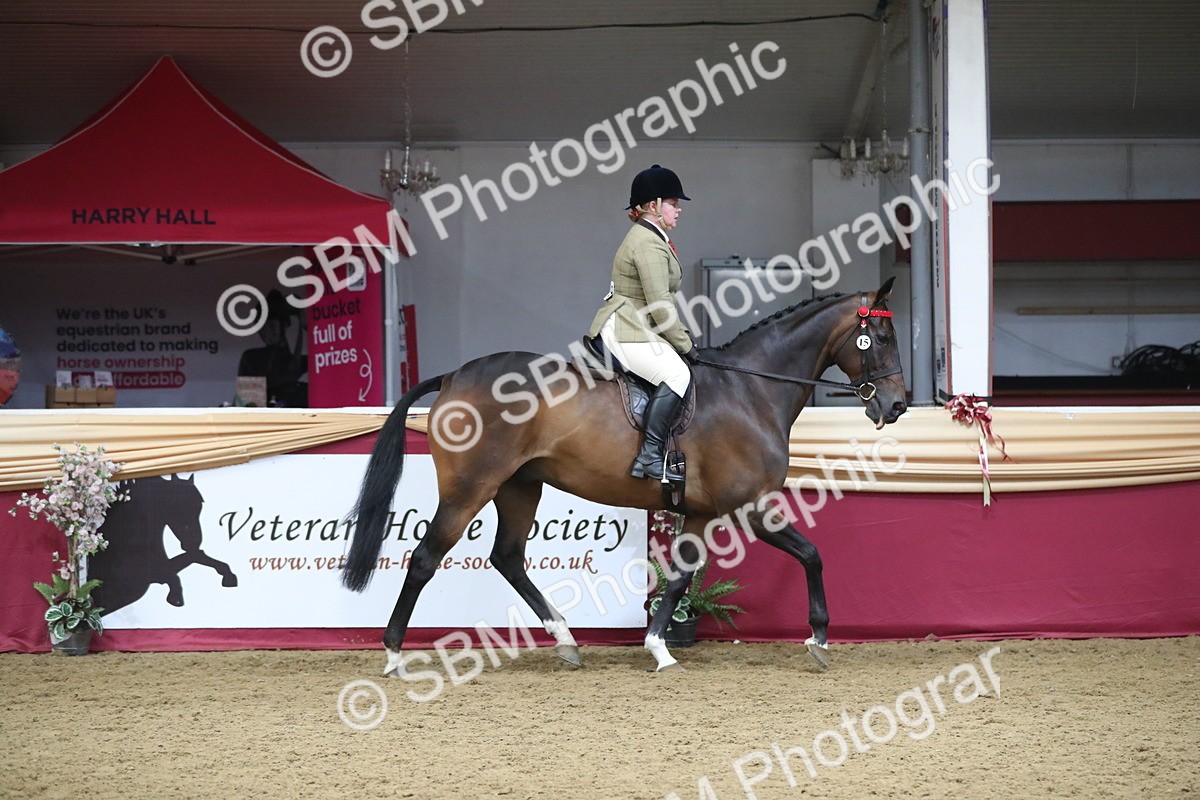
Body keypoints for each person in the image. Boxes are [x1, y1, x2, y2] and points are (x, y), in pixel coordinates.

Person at [588, 164, 698, 482]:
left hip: (636, 325)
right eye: (673, 203)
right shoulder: (647, 243)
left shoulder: (653, 237)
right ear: (653, 206)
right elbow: (661, 305)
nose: (678, 210)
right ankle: (649, 457)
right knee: (677, 374)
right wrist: (686, 345)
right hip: (625, 328)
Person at [237, 290, 308, 407]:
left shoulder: (302, 361)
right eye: (261, 327)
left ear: (284, 325)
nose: (266, 332)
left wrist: (302, 320)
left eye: (271, 325)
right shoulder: (252, 358)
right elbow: (249, 405)